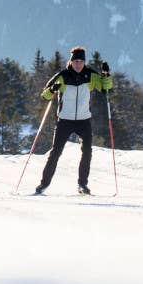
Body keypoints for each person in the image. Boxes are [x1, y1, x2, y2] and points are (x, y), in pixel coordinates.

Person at [35, 46, 112, 195]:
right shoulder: (63, 76)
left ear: (84, 62)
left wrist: (106, 75)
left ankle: (82, 185)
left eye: (81, 61)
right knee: (56, 152)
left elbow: (106, 89)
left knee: (87, 151)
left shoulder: (90, 75)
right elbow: (44, 95)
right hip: (65, 120)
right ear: (71, 61)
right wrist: (52, 89)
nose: (78, 64)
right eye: (75, 61)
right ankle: (43, 184)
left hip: (84, 120)